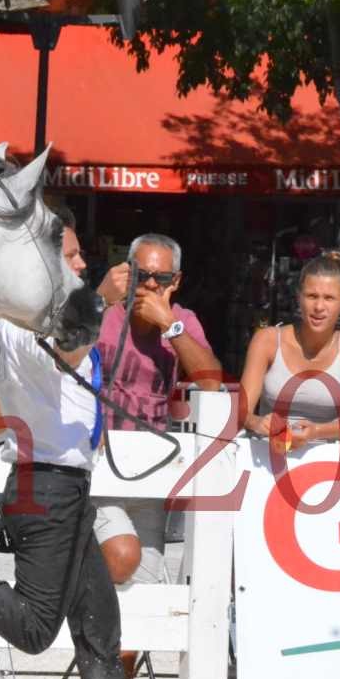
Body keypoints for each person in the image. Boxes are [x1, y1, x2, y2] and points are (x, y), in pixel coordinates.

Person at [0, 214, 188, 679]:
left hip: (63, 486)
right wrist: (98, 298)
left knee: (98, 617)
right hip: (46, 487)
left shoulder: (12, 328)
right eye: (74, 256)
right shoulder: (34, 329)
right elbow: (74, 351)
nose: (82, 264)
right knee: (34, 630)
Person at [92, 234, 219, 589]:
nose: (149, 284)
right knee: (121, 555)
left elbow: (211, 381)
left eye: (160, 278)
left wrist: (170, 326)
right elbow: (55, 355)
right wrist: (98, 300)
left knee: (143, 593)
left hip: (150, 471)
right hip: (98, 468)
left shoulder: (182, 320)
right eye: (140, 273)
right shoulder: (100, 311)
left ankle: (110, 645)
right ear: (124, 271)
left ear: (175, 282)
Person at [239, 251, 340, 449]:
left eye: (329, 298)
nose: (319, 306)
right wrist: (257, 423)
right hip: (266, 456)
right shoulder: (267, 339)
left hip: (324, 460)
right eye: (312, 296)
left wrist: (317, 431)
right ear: (299, 297)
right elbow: (241, 411)